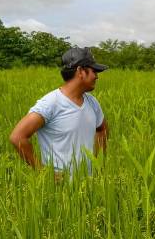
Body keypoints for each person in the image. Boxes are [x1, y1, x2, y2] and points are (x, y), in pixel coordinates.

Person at [9, 47, 109, 175]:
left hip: (90, 183)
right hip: (61, 186)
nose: (96, 76)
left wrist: (98, 164)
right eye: (94, 71)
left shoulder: (92, 102)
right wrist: (43, 172)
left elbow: (102, 129)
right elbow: (17, 137)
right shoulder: (50, 104)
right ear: (80, 71)